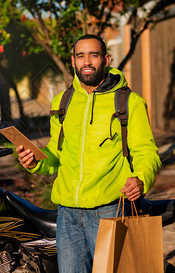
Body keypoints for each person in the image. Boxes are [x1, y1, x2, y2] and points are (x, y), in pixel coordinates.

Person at [17, 34, 161, 273]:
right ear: (73, 61)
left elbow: (147, 152)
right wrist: (35, 161)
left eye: (93, 55)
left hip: (109, 210)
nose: (87, 61)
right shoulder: (63, 102)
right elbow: (56, 154)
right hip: (68, 213)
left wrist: (141, 178)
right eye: (80, 55)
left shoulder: (129, 102)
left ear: (105, 59)